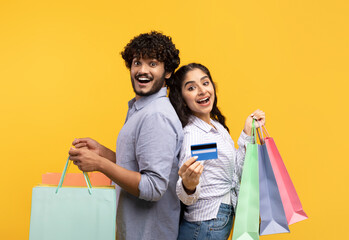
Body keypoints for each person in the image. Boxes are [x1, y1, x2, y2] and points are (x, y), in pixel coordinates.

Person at [68, 31, 183, 240]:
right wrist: (102, 153)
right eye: (137, 62)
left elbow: (153, 187)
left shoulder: (156, 116)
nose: (142, 70)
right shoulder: (139, 110)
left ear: (167, 72)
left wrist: (100, 165)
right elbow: (136, 167)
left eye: (153, 63)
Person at [167, 63, 265, 240]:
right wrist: (189, 185)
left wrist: (247, 133)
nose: (202, 91)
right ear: (181, 97)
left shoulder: (216, 128)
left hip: (215, 222)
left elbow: (235, 171)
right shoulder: (194, 135)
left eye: (205, 83)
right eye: (191, 88)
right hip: (205, 224)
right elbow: (185, 195)